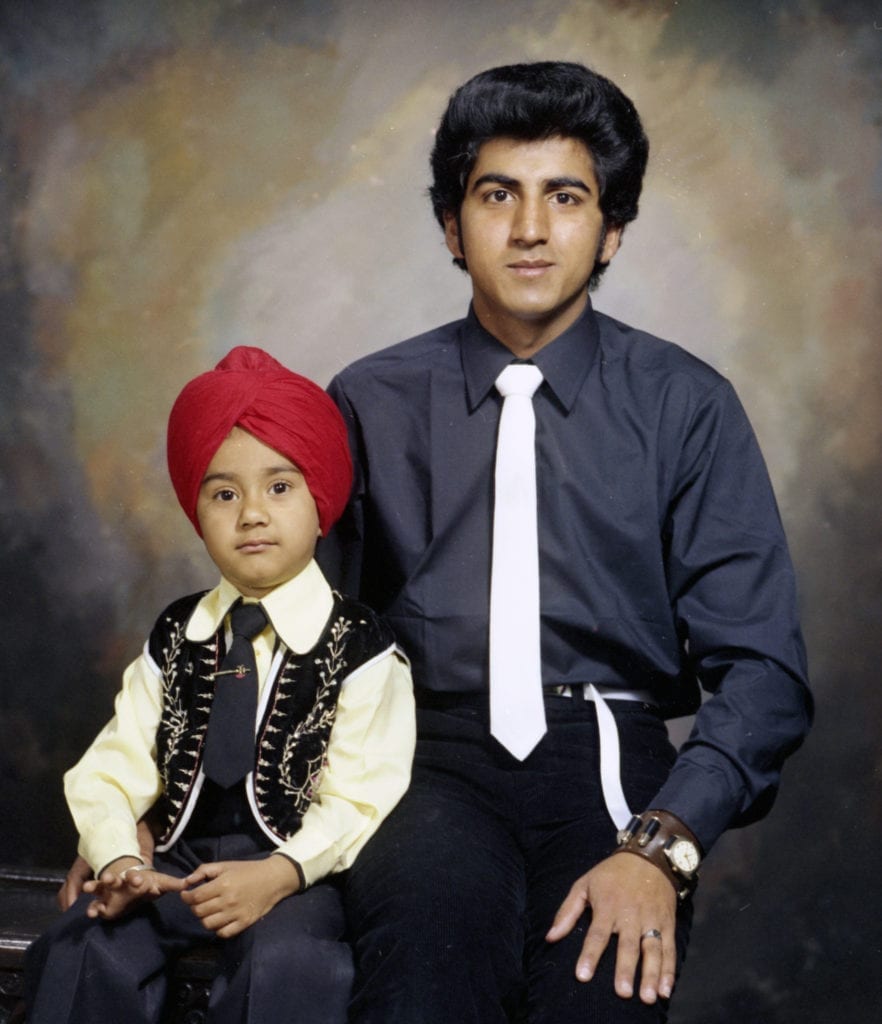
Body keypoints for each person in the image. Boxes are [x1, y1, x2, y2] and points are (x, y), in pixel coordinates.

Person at [318, 61, 813, 1023]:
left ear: (612, 228)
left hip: (614, 761)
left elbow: (763, 672)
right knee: (426, 975)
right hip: (420, 756)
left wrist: (661, 845)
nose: (531, 229)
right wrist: (146, 805)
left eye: (566, 197)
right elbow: (297, 634)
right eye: (497, 195)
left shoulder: (687, 406)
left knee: (600, 989)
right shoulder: (368, 400)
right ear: (452, 227)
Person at [27, 346, 415, 1024]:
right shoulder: (176, 633)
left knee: (292, 968)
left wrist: (280, 873)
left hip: (293, 874)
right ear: (196, 508)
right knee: (84, 948)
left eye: (280, 486)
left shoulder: (360, 644)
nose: (253, 514)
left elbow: (362, 797)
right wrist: (119, 855)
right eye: (224, 493)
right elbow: (113, 767)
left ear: (320, 499)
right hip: (173, 865)